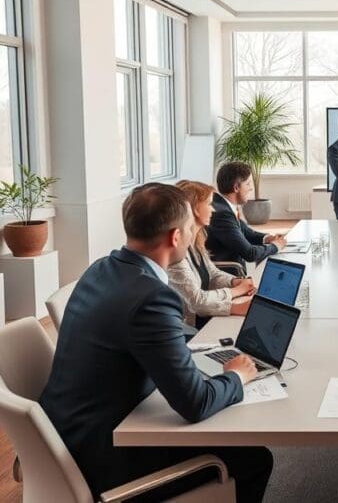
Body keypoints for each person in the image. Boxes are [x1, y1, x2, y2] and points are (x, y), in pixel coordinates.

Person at [39, 184, 272, 501]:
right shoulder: (151, 297)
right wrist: (237, 376)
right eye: (191, 228)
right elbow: (196, 404)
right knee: (255, 458)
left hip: (65, 436)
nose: (194, 234)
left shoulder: (101, 269)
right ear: (176, 237)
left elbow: (137, 339)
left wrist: (202, 346)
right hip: (104, 454)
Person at [169, 180, 256, 329]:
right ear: (194, 209)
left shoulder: (197, 239)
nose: (213, 210)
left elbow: (213, 274)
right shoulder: (177, 253)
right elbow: (198, 302)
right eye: (209, 204)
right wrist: (235, 294)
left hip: (209, 316)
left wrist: (235, 281)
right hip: (193, 329)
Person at [206, 161, 286, 271]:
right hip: (229, 276)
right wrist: (275, 246)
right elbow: (250, 254)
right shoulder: (222, 214)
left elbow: (246, 232)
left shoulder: (223, 205)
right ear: (236, 188)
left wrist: (268, 238)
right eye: (248, 184)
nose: (251, 188)